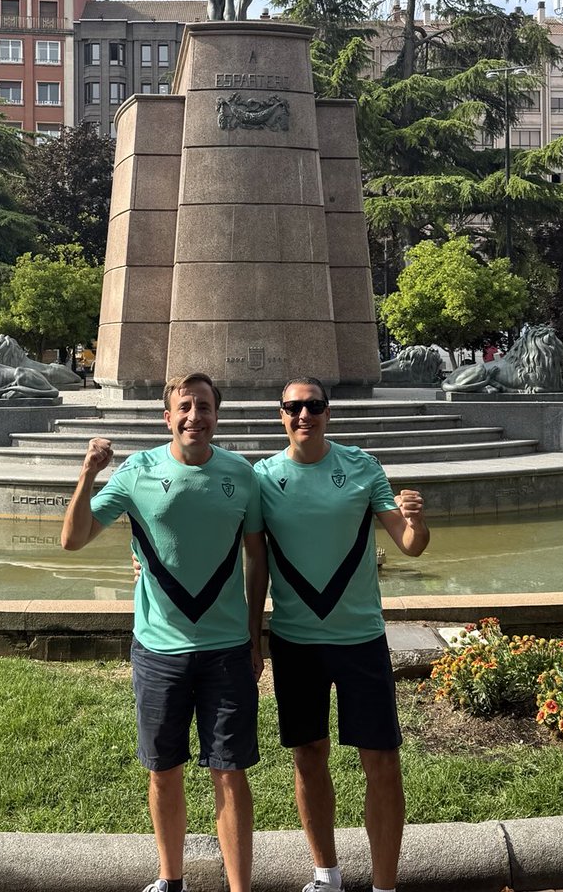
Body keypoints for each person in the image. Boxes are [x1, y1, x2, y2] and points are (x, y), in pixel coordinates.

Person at [61, 372, 267, 892]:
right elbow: (74, 538)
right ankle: (169, 878)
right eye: (185, 407)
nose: (195, 416)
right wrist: (89, 472)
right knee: (163, 770)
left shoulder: (243, 475)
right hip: (159, 650)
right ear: (167, 416)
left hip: (225, 650)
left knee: (230, 772)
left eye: (204, 407)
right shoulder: (137, 471)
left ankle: (240, 888)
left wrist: (255, 636)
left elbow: (256, 557)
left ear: (217, 416)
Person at [254, 377, 429, 892]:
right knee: (308, 755)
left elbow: (409, 544)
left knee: (381, 758)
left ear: (328, 412)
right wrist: (147, 564)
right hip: (294, 642)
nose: (303, 414)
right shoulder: (262, 477)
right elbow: (240, 549)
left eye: (313, 406)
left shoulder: (361, 467)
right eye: (293, 407)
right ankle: (326, 876)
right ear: (281, 415)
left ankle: (384, 885)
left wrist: (417, 523)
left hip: (359, 639)